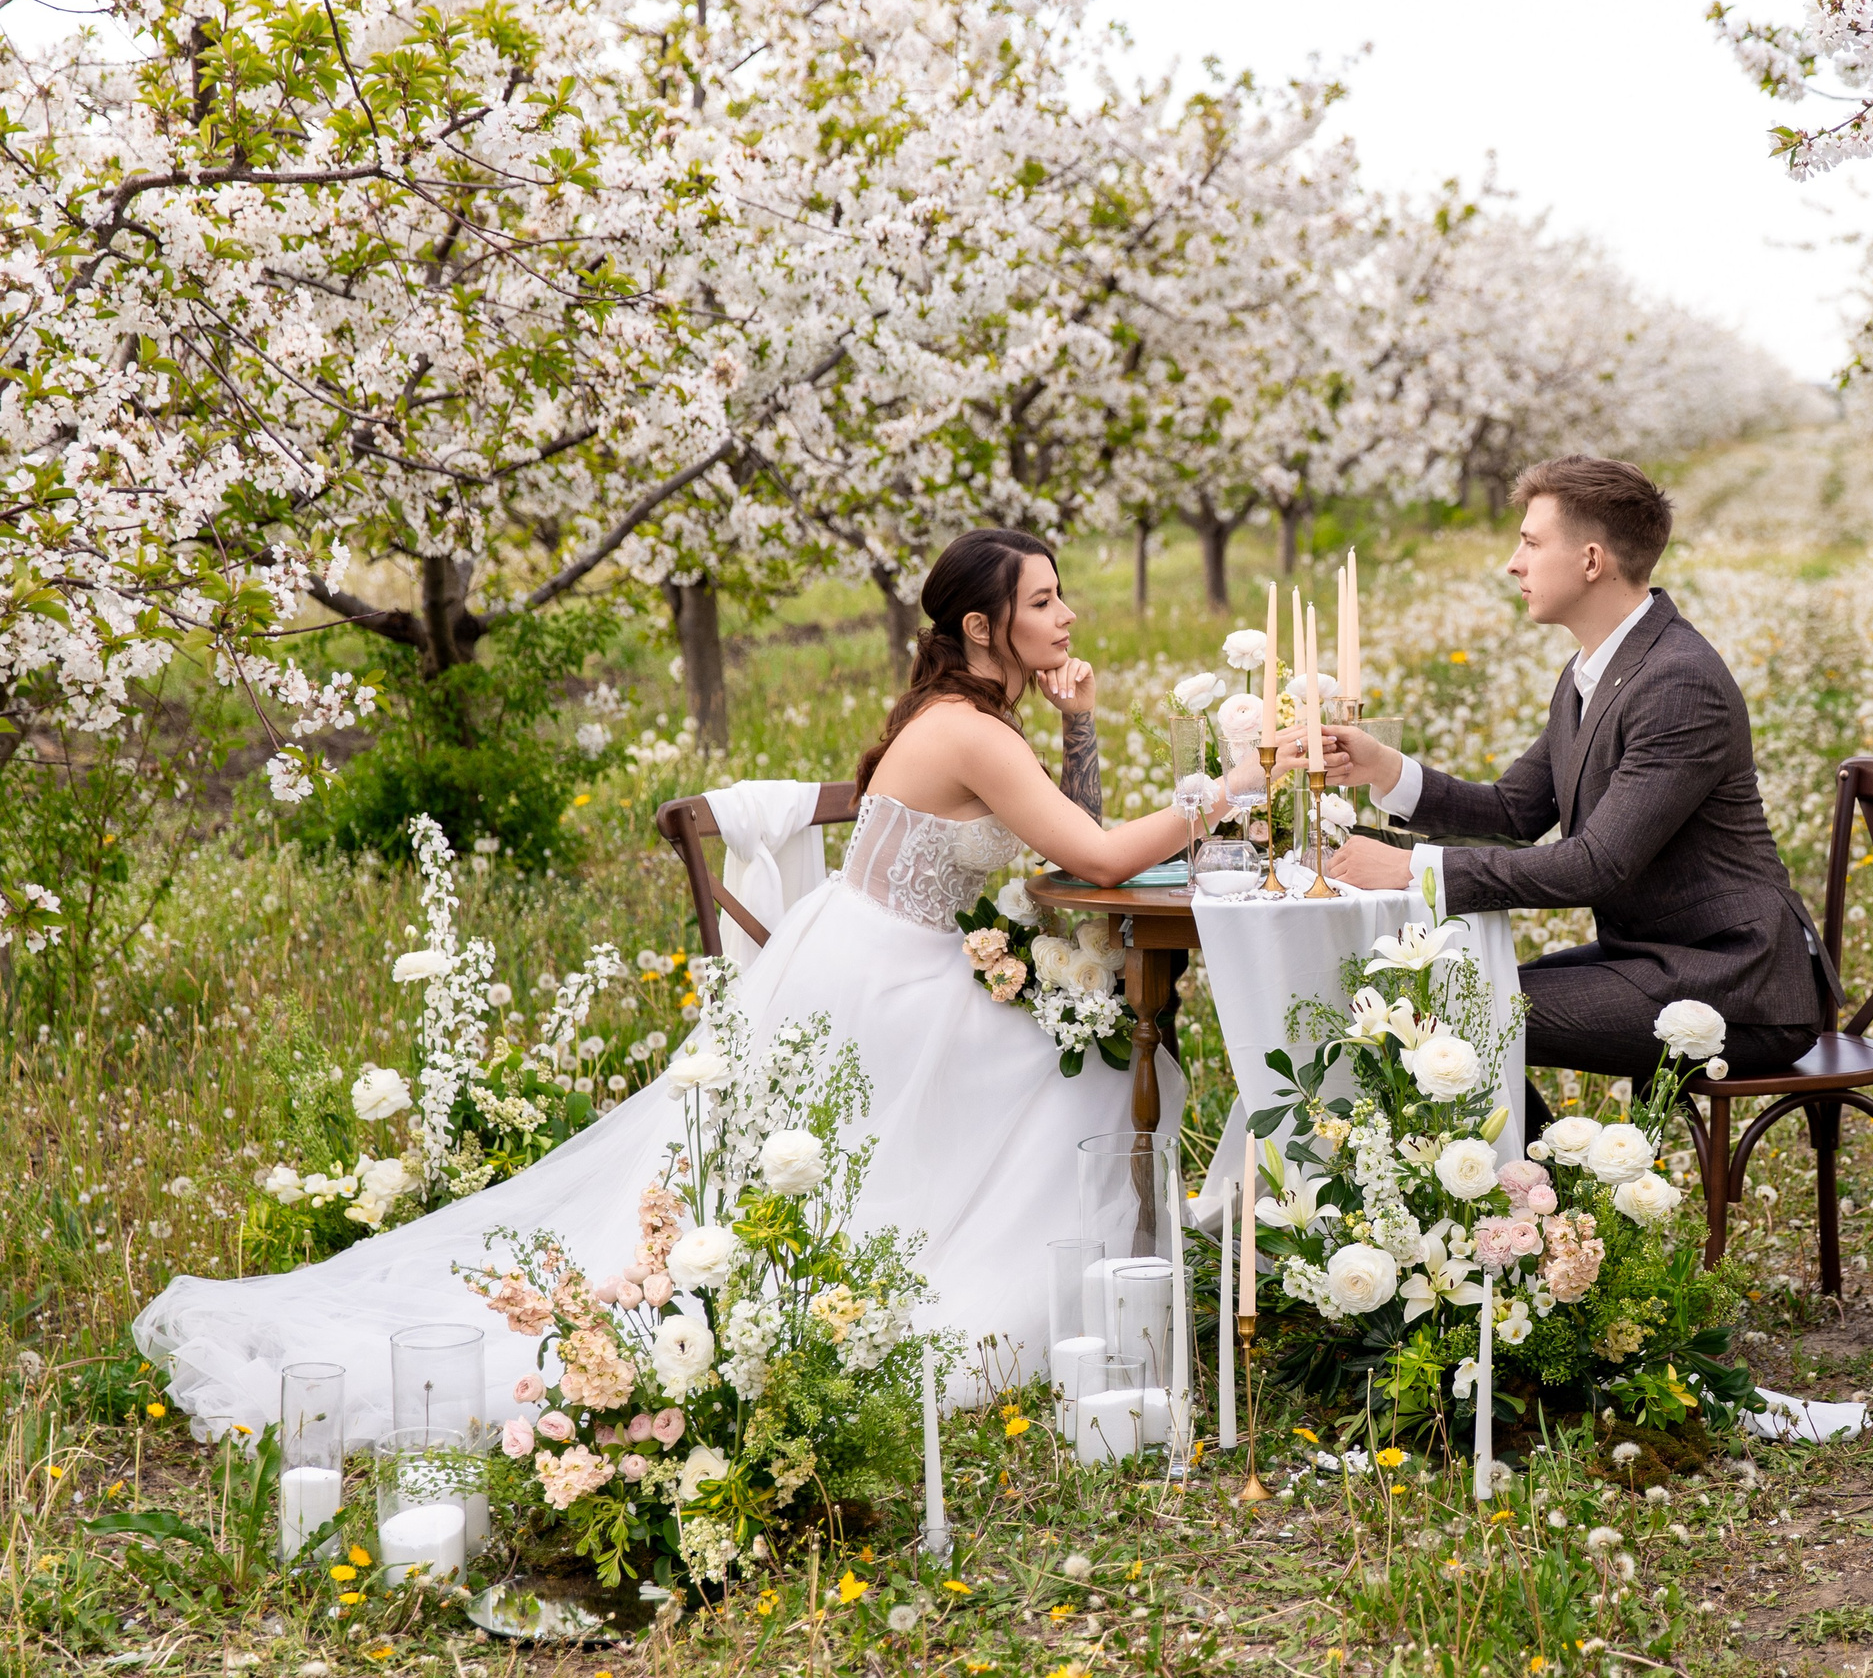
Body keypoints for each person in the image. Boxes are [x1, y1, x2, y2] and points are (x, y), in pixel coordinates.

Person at [135, 528, 1243, 1439]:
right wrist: (1228, 790)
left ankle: (1092, 1284)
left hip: (876, 961)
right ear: (980, 626)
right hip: (885, 988)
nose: (1066, 617)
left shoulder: (977, 720)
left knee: (1081, 1046)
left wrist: (1080, 722)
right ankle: (1060, 1297)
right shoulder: (967, 730)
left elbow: (1076, 836)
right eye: (1045, 602)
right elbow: (1098, 864)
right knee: (1084, 1070)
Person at [1314, 455, 1832, 1085]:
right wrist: (1385, 769)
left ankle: (1537, 1186)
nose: (1514, 562)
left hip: (1739, 983)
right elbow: (1514, 812)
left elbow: (1597, 864)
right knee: (1439, 1002)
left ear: (1591, 561)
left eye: (1531, 542)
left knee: (1448, 1015)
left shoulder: (1678, 680)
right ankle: (1538, 1183)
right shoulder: (1592, 670)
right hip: (1655, 959)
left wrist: (1413, 868)